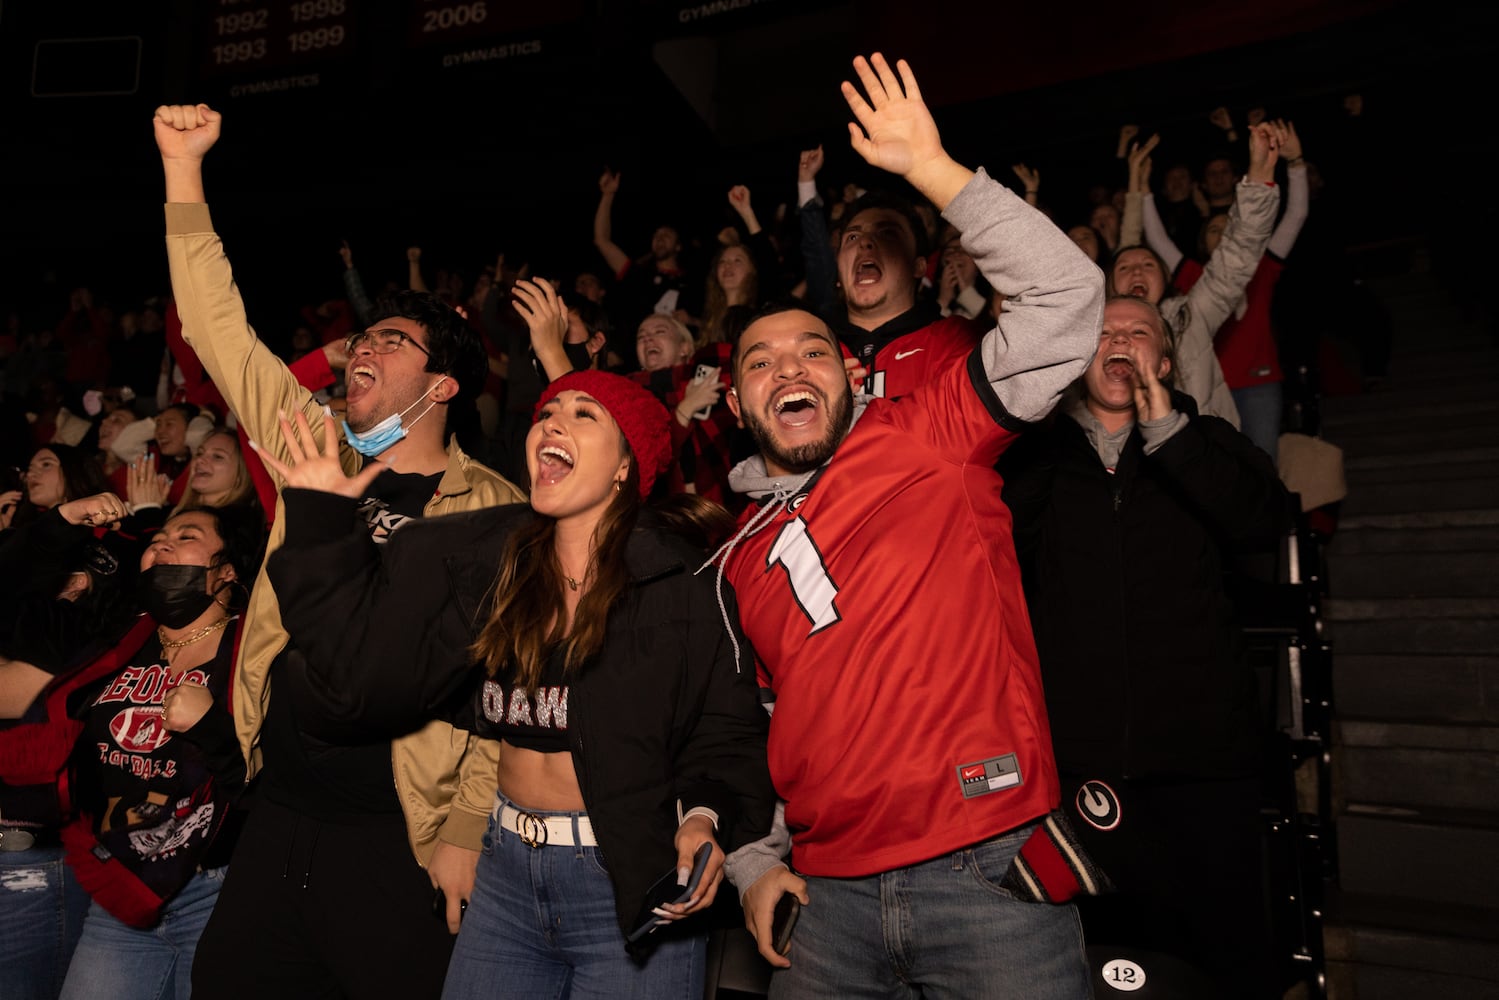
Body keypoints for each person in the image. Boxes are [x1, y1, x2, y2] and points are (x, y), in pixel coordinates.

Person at [714, 54, 1102, 997]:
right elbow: (756, 727)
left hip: (985, 873)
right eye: (762, 360)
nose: (790, 366)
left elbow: (1064, 302)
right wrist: (756, 863)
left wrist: (934, 171)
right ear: (733, 401)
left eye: (815, 349)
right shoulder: (735, 561)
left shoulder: (925, 432)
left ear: (852, 379)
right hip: (826, 902)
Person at [151, 102, 525, 998]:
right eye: (365, 334)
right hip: (277, 816)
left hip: (398, 837)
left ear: (440, 384)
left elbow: (502, 682)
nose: (364, 346)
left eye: (392, 340)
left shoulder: (494, 507)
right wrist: (183, 171)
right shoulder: (310, 443)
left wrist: (467, 829)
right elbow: (217, 329)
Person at [257, 372, 775, 999]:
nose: (552, 423)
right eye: (547, 412)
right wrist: (318, 520)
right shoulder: (487, 564)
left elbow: (726, 734)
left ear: (624, 468)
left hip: (623, 877)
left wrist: (701, 818)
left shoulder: (684, 587)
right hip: (504, 870)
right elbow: (355, 680)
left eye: (584, 415)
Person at [1000, 295, 1294, 997]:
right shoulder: (1040, 453)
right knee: (1093, 958)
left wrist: (1169, 432)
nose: (1119, 342)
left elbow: (1264, 521)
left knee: (1218, 954)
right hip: (1079, 764)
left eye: (1137, 332)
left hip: (1202, 761)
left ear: (1162, 360)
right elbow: (996, 548)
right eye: (1102, 333)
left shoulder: (1205, 439)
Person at [57, 502, 264, 1000]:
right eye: (157, 540)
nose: (162, 544)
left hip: (218, 890)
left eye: (186, 535)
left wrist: (211, 726)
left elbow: (272, 790)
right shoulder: (121, 639)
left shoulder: (252, 652)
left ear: (226, 571)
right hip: (123, 886)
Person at [1111, 121, 1285, 426]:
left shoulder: (1190, 316)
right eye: (1125, 268)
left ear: (1166, 281)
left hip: (1200, 461)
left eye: (1149, 265)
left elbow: (1237, 253)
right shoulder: (1097, 330)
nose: (1137, 269)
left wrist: (1258, 178)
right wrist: (1135, 183)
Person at [796, 142, 984, 402]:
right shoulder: (806, 354)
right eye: (852, 237)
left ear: (918, 266)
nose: (865, 242)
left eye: (887, 234)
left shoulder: (959, 346)